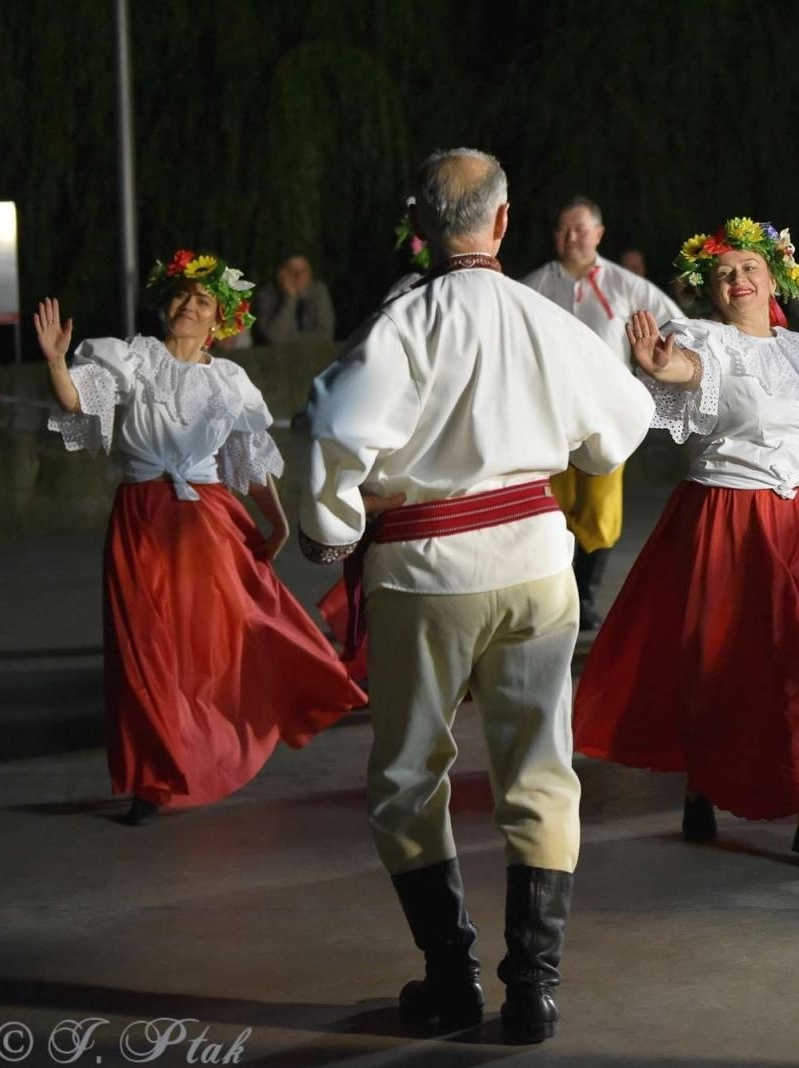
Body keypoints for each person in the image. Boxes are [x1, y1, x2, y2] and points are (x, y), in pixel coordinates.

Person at [298, 149, 654, 1043]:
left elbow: (326, 429)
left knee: (411, 776)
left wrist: (331, 528)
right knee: (541, 770)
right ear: (501, 223)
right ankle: (533, 989)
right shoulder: (546, 318)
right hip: (537, 567)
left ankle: (452, 979)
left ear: (422, 224)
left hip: (426, 576)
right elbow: (619, 430)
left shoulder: (404, 323)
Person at [573, 218, 799, 866]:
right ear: (711, 290)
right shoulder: (707, 342)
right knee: (719, 663)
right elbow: (687, 369)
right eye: (723, 273)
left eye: (748, 267)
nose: (738, 279)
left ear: (772, 276)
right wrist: (660, 362)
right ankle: (704, 781)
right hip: (724, 520)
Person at [35, 251, 365, 827]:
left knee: (227, 637)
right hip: (143, 514)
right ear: (166, 303)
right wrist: (57, 363)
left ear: (220, 319)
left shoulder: (228, 379)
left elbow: (246, 458)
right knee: (145, 648)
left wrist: (277, 520)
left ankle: (281, 704)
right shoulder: (132, 358)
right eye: (183, 295)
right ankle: (153, 780)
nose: (190, 306)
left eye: (203, 300)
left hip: (210, 519)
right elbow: (75, 402)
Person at [521, 197, 683, 630]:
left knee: (600, 512)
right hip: (548, 419)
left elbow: (677, 324)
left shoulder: (626, 286)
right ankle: (553, 596)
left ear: (598, 233)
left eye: (579, 229)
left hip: (605, 420)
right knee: (548, 508)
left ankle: (584, 596)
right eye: (562, 229)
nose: (570, 237)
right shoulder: (533, 285)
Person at [253, 253, 337, 345]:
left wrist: (288, 339)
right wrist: (291, 297)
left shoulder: (318, 291)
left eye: (304, 271)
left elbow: (326, 335)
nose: (299, 276)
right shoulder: (266, 296)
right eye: (292, 271)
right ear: (281, 274)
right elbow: (275, 338)